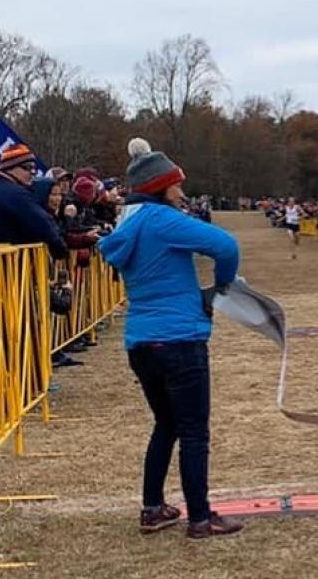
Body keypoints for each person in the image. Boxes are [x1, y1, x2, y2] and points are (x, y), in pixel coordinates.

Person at [97, 138, 243, 539]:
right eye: (176, 185)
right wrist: (221, 288)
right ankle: (200, 517)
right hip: (179, 339)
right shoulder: (162, 220)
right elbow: (226, 246)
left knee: (166, 424)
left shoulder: (129, 223)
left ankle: (152, 508)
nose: (182, 192)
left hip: (141, 342)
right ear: (160, 186)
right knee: (194, 431)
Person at [0, 144, 69, 260]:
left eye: (34, 168)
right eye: (28, 167)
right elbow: (42, 223)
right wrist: (61, 250)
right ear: (10, 168)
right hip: (7, 268)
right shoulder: (14, 194)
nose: (33, 173)